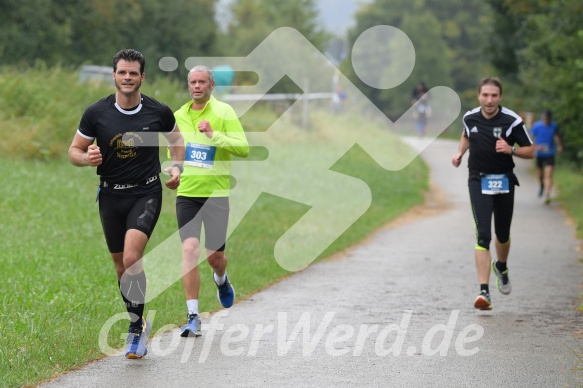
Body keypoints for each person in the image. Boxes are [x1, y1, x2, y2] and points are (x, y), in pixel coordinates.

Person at [68, 49, 185, 358]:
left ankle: (134, 331)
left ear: (142, 77)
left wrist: (176, 168)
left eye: (134, 73)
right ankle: (140, 319)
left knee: (133, 257)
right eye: (123, 72)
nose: (128, 77)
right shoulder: (97, 113)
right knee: (120, 265)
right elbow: (74, 150)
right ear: (114, 76)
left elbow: (177, 141)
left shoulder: (158, 111)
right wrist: (85, 158)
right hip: (109, 195)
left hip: (146, 192)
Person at [173, 65, 249, 337]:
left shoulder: (224, 112)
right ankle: (193, 316)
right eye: (192, 81)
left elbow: (243, 148)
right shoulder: (178, 116)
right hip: (187, 194)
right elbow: (174, 152)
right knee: (189, 250)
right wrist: (172, 171)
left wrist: (213, 135)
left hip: (216, 194)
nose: (196, 86)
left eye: (202, 82)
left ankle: (222, 280)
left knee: (215, 257)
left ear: (211, 85)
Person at [451, 77, 535, 310]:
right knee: (483, 235)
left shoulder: (512, 120)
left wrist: (511, 149)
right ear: (478, 96)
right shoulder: (470, 117)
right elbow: (467, 134)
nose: (489, 100)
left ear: (500, 97)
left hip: (503, 179)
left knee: (503, 234)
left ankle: (502, 266)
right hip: (477, 179)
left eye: (494, 96)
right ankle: (484, 292)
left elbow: (531, 151)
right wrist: (459, 153)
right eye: (485, 95)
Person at [530, 109, 563, 204]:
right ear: (541, 118)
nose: (546, 121)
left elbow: (556, 136)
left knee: (548, 175)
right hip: (539, 154)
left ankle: (547, 194)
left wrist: (559, 146)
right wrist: (536, 146)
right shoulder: (536, 126)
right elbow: (530, 138)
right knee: (540, 175)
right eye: (544, 119)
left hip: (550, 153)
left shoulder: (553, 126)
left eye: (547, 119)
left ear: (550, 119)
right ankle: (541, 185)